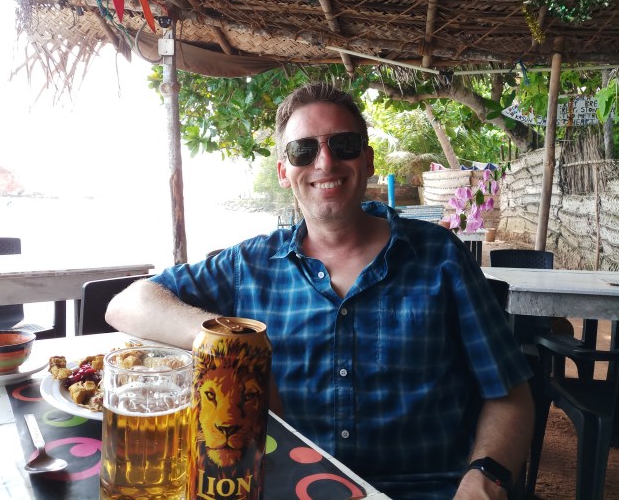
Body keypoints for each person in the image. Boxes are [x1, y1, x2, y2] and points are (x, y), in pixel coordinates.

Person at [106, 82, 534, 500]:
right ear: (284, 171)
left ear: (367, 160)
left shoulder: (440, 256)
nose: (325, 162)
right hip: (286, 486)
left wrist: (484, 480)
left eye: (343, 144)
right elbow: (128, 303)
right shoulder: (249, 264)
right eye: (303, 150)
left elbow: (510, 394)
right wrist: (230, 339)